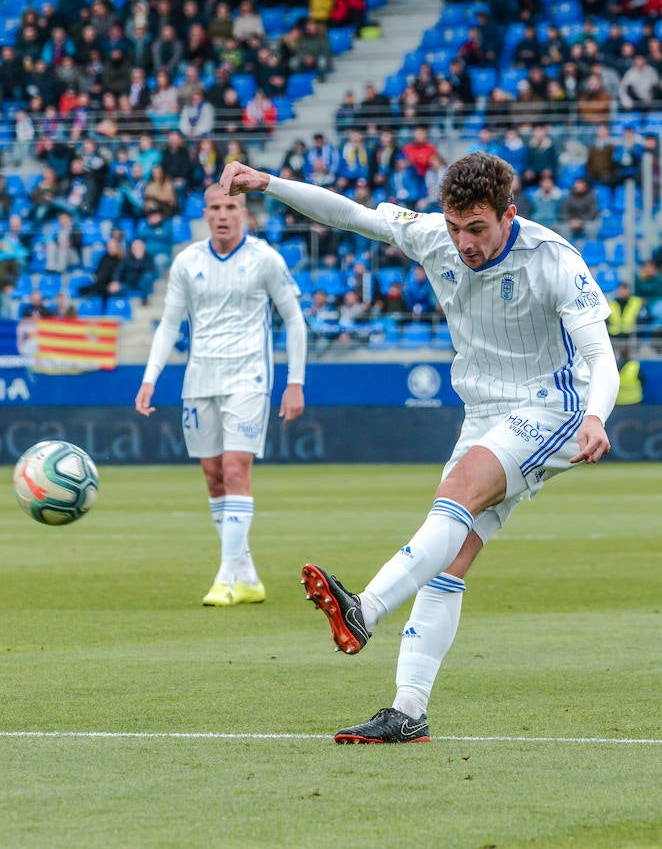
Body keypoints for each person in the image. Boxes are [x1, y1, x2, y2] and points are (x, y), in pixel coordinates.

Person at [221, 152, 618, 743]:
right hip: (481, 412)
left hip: (549, 405)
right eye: (455, 227)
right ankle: (408, 710)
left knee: (455, 496)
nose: (464, 242)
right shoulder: (434, 237)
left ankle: (365, 609)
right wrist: (268, 183)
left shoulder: (553, 258)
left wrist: (595, 415)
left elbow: (600, 355)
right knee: (448, 558)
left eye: (478, 228)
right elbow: (349, 215)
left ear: (509, 215)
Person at [135, 184, 308, 607]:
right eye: (215, 207)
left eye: (231, 206)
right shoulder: (187, 261)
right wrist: (149, 377)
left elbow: (294, 319)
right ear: (206, 214)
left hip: (248, 378)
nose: (223, 214)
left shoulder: (265, 258)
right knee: (214, 477)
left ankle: (226, 576)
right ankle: (246, 574)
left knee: (235, 470)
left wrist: (295, 381)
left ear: (245, 212)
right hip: (199, 380)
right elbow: (169, 325)